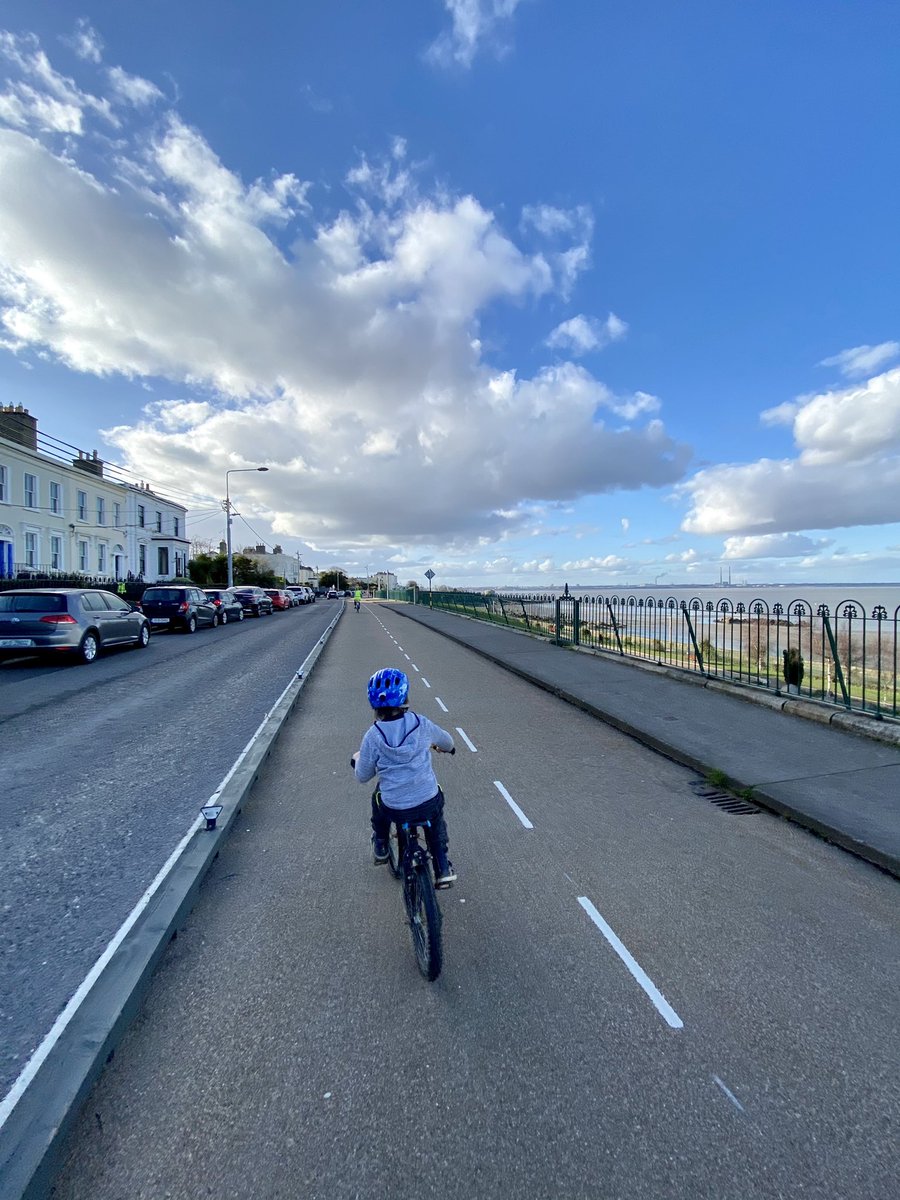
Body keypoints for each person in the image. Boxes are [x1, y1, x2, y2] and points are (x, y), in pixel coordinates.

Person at [351, 667, 457, 887]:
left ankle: (380, 843)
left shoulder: (373, 736)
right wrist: (445, 747)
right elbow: (447, 742)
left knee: (377, 798)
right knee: (435, 808)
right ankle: (442, 865)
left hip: (395, 808)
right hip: (426, 800)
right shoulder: (422, 724)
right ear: (405, 697)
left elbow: (363, 775)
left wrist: (357, 759)